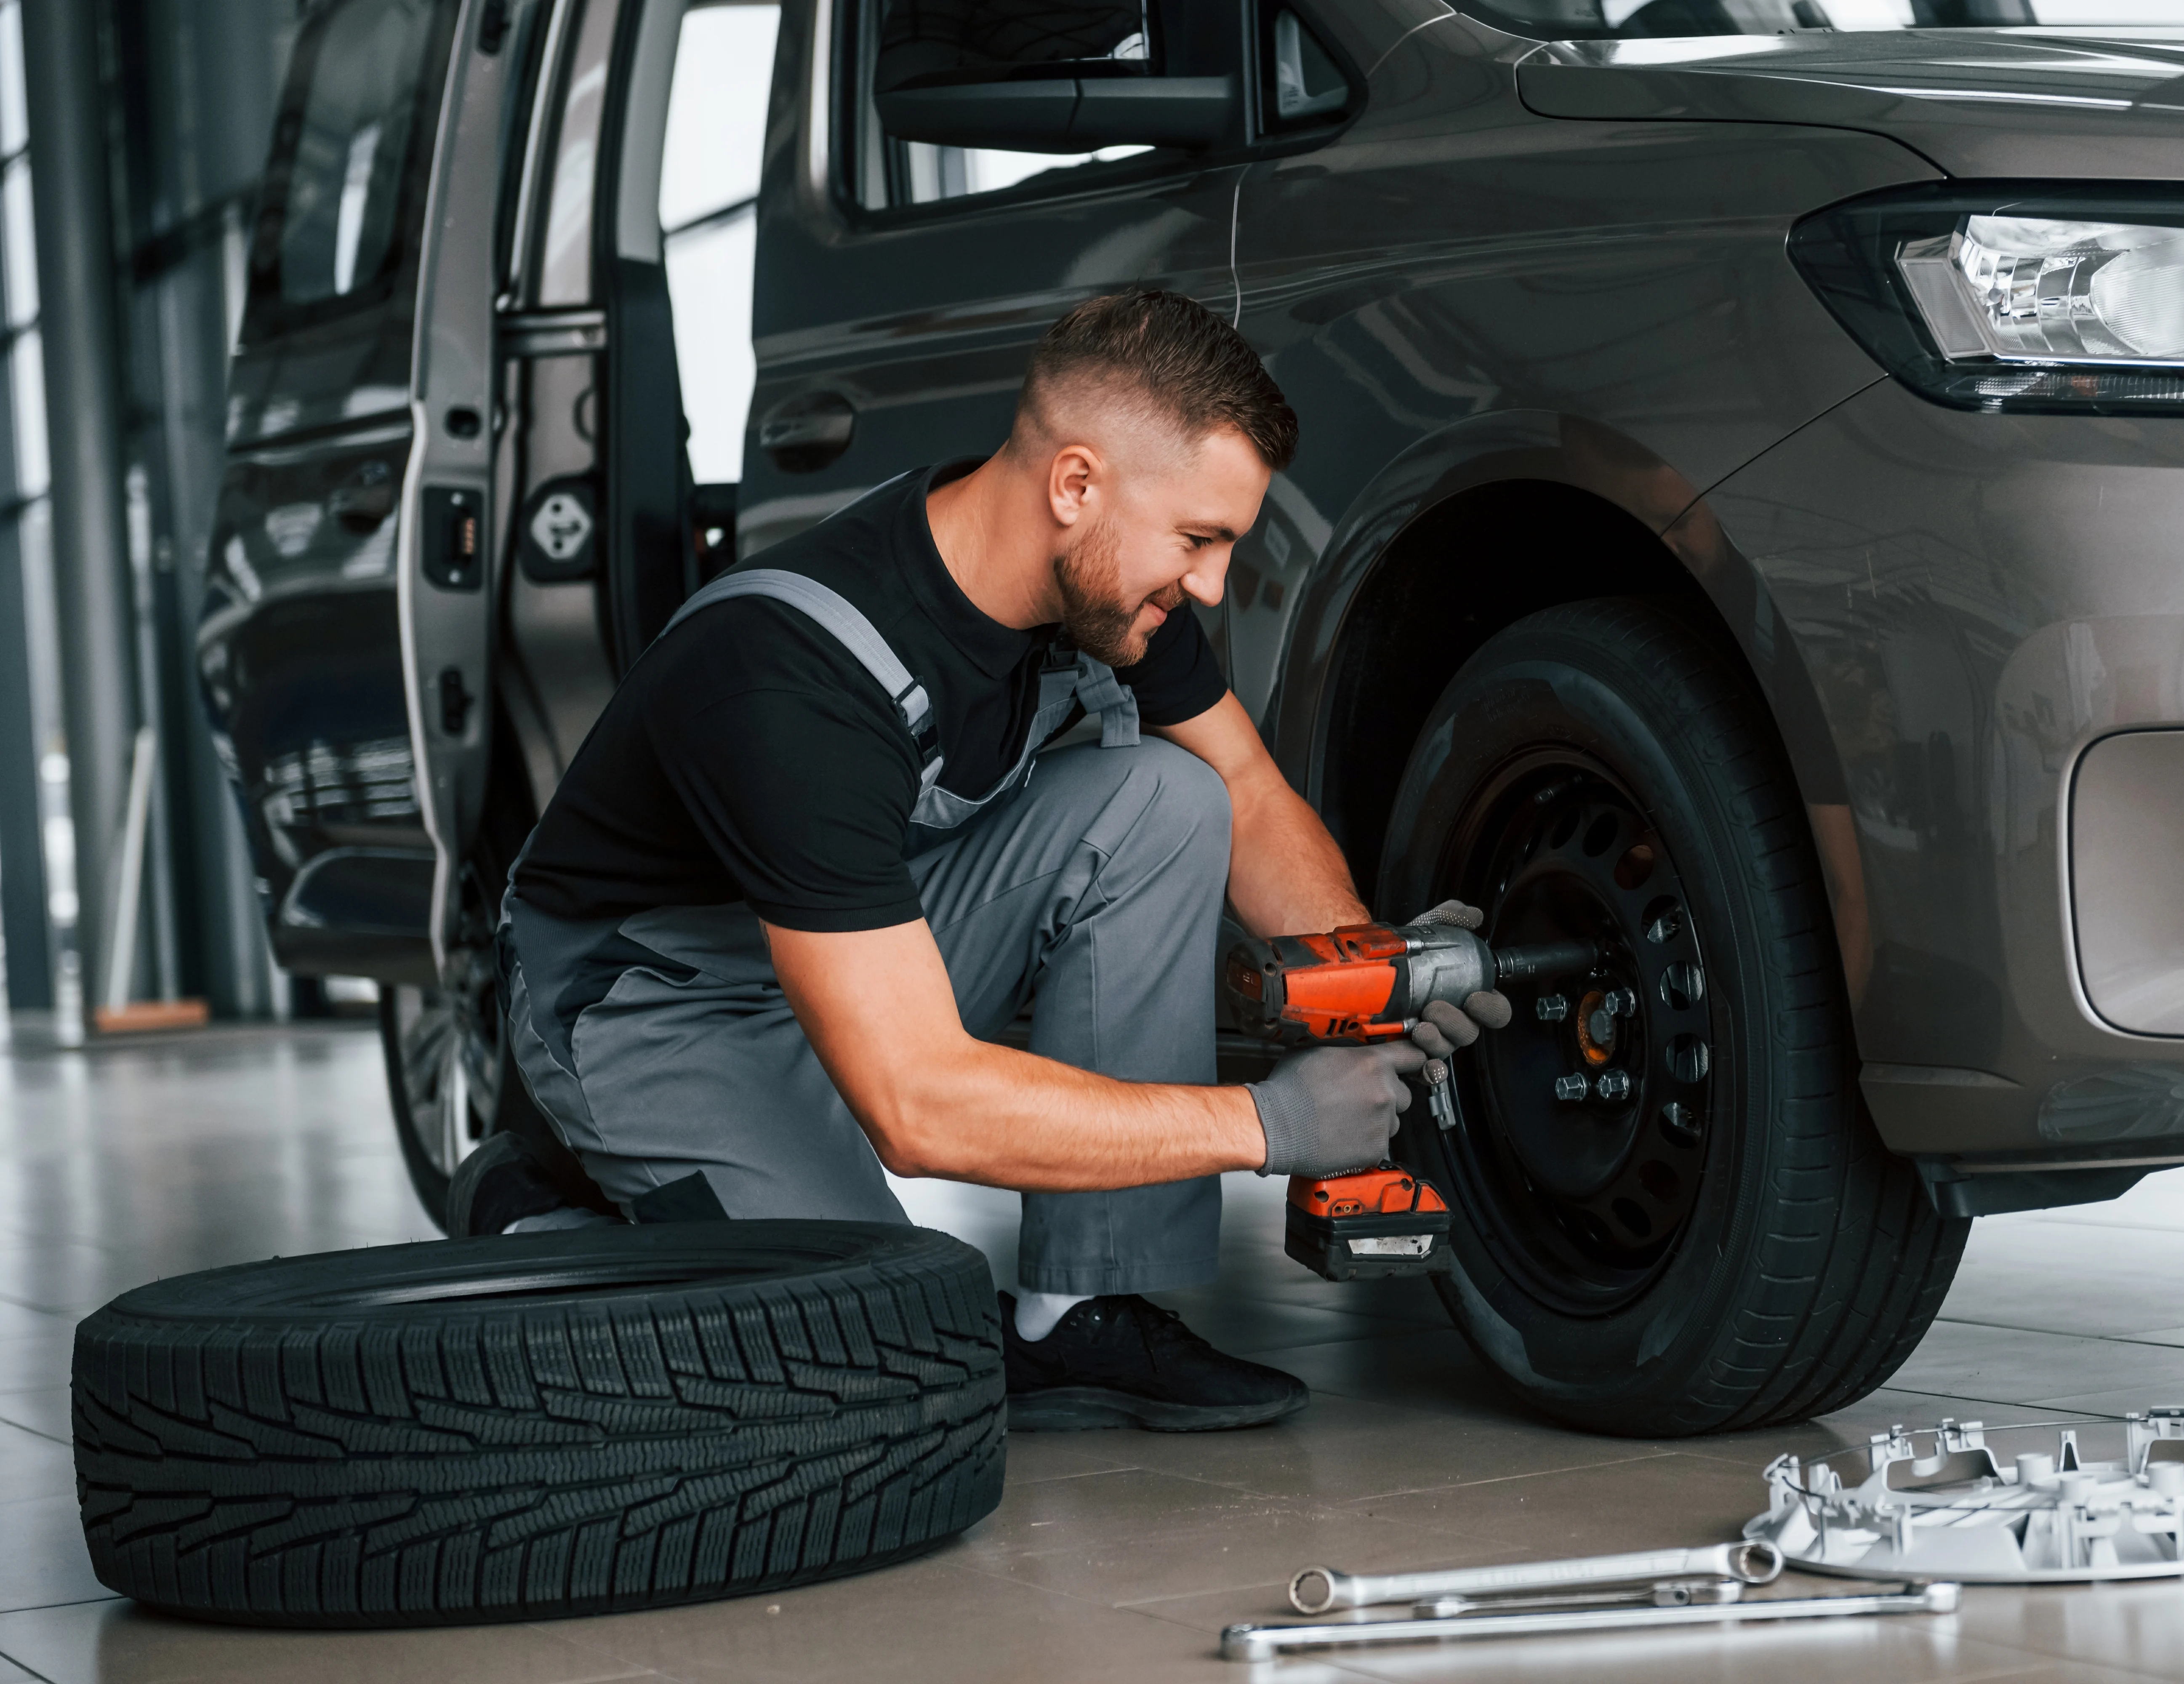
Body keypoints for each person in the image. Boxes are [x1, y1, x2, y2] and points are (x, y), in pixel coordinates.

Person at [470, 289, 1506, 1431]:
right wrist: (1273, 1123)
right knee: (882, 1363)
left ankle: (1079, 1308)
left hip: (862, 955)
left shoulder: (1104, 588)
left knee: (1166, 793)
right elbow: (918, 1109)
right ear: (1076, 486)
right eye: (1199, 540)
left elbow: (1251, 795)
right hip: (658, 1008)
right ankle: (549, 1204)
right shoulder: (785, 678)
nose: (1209, 584)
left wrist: (1369, 985)